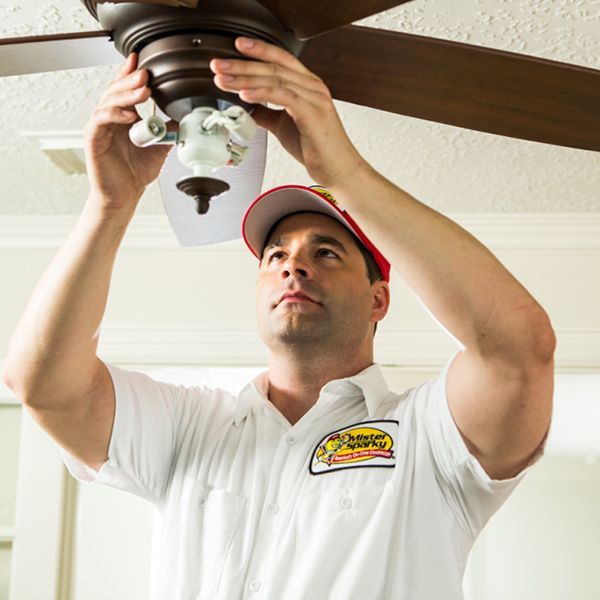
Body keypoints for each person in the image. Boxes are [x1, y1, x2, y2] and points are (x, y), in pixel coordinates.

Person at [1, 36, 555, 600]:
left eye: (326, 252)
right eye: (276, 255)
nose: (294, 268)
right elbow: (43, 383)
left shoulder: (428, 437)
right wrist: (108, 205)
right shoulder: (189, 428)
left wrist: (346, 175)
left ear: (378, 300)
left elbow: (518, 346)